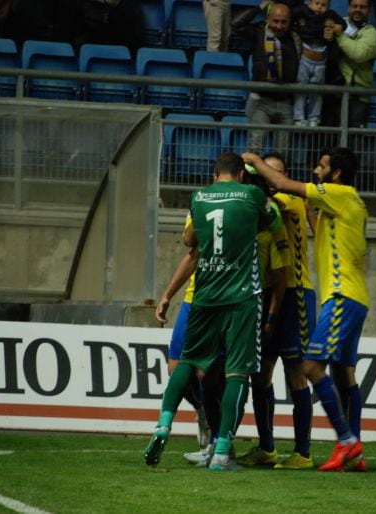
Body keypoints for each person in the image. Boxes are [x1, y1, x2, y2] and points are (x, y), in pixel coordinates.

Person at [144, 152, 281, 471]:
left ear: (214, 172)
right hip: (242, 296)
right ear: (241, 175)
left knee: (187, 362)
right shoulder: (252, 195)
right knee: (238, 371)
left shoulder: (199, 198)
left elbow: (189, 240)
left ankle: (163, 425)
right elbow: (271, 222)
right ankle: (221, 451)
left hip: (204, 295)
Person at [243, 147, 369, 472]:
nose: (316, 170)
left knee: (305, 370)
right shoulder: (331, 204)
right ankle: (270, 447)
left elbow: (283, 188)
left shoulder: (304, 197)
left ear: (335, 173)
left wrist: (254, 163)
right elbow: (317, 229)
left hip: (308, 293)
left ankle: (326, 445)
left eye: (322, 166)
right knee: (337, 372)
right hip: (306, 294)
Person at [237, 152, 317, 470]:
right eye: (266, 173)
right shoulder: (261, 205)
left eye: (277, 174)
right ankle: (266, 447)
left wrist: (255, 166)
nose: (271, 178)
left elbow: (277, 202)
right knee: (261, 373)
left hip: (295, 291)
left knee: (295, 373)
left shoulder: (290, 201)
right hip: (265, 291)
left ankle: (303, 452)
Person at [154, 223, 224, 466]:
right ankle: (202, 413)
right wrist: (167, 295)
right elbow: (189, 243)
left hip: (227, 300)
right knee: (175, 369)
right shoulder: (202, 203)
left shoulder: (245, 203)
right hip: (194, 298)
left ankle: (220, 443)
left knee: (213, 375)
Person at [232, 3, 301, 156]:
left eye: (284, 22)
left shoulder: (295, 36)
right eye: (275, 21)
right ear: (268, 19)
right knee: (254, 149)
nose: (279, 26)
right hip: (260, 100)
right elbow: (236, 24)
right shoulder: (259, 31)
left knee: (282, 153)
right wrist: (259, 8)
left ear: (290, 22)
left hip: (285, 101)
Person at [322, 0, 376, 129]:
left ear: (369, 10)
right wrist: (326, 33)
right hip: (332, 93)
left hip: (357, 97)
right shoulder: (338, 23)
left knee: (354, 143)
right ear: (348, 8)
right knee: (325, 140)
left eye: (362, 7)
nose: (358, 9)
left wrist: (339, 35)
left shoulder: (372, 34)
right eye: (354, 6)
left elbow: (358, 54)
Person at [292, 0, 346, 127]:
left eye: (324, 5)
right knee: (300, 87)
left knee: (317, 90)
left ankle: (314, 118)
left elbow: (343, 23)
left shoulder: (330, 15)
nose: (320, 7)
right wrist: (299, 23)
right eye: (317, 3)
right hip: (305, 55)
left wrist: (338, 27)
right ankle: (298, 117)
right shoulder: (302, 11)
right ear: (309, 3)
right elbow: (290, 15)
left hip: (321, 59)